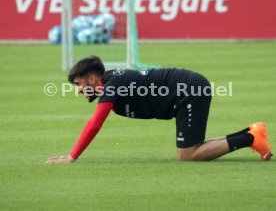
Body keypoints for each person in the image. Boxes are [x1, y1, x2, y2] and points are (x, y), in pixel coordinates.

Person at [47, 55, 272, 163]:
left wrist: (72, 156)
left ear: (93, 79)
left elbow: (95, 123)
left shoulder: (111, 86)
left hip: (189, 90)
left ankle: (250, 139)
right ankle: (252, 133)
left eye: (78, 84)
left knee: (187, 155)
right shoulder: (109, 83)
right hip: (185, 92)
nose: (77, 90)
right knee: (193, 148)